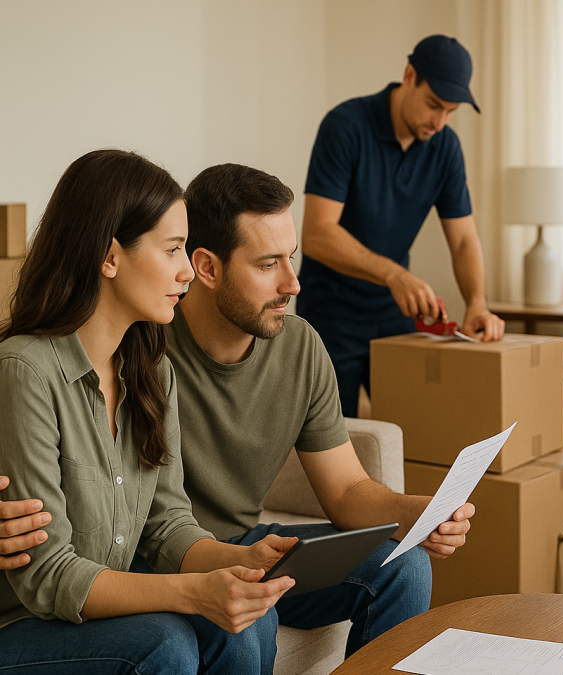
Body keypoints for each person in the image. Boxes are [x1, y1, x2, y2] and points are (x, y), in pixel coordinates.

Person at [0, 149, 295, 674]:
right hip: (21, 623)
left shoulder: (153, 371)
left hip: (91, 617)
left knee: (250, 619)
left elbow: (165, 524)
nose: (188, 270)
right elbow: (48, 575)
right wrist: (192, 593)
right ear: (110, 257)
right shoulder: (26, 371)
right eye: (174, 249)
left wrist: (240, 562)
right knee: (165, 642)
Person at [298, 34, 505, 417]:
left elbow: (463, 241)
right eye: (433, 105)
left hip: (394, 313)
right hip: (331, 314)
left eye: (450, 112)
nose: (439, 122)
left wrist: (477, 302)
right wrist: (394, 275)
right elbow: (316, 235)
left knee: (414, 429)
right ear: (409, 76)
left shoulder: (445, 148)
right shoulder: (345, 127)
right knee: (334, 440)